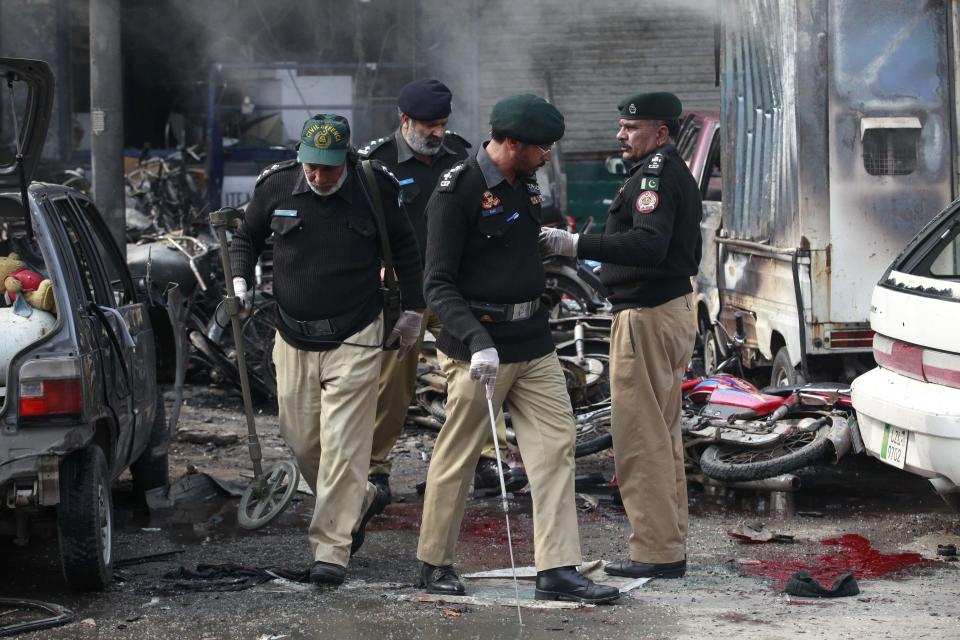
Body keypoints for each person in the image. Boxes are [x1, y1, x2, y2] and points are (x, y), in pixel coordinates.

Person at [416, 94, 620, 604]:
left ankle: (557, 568)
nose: (547, 155)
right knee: (459, 456)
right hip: (478, 349)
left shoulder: (525, 183)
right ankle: (433, 561)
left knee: (555, 449)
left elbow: (519, 250)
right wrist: (477, 341)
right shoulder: (456, 190)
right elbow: (437, 284)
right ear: (510, 143)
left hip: (533, 343)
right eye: (541, 147)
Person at [229, 114, 425, 586]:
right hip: (292, 336)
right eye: (312, 167)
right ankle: (357, 501)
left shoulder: (372, 186)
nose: (319, 177)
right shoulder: (276, 186)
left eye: (329, 169)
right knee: (302, 441)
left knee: (343, 445)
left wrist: (414, 309)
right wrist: (239, 281)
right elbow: (245, 238)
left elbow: (406, 249)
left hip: (355, 334)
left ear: (347, 159)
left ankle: (331, 550)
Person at [539, 91, 702, 579]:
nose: (620, 134)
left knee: (640, 438)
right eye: (622, 126)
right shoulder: (662, 170)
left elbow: (649, 244)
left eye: (631, 128)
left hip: (647, 316)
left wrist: (575, 243)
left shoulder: (655, 174)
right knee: (663, 434)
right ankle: (666, 547)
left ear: (661, 133)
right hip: (665, 310)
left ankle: (655, 553)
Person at [358, 78, 524, 502]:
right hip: (403, 292)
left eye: (442, 124)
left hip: (453, 288)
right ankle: (374, 469)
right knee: (393, 384)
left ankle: (487, 458)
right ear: (405, 120)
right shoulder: (375, 164)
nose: (437, 133)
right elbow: (359, 228)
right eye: (429, 125)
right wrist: (376, 267)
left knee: (476, 372)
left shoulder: (460, 153)